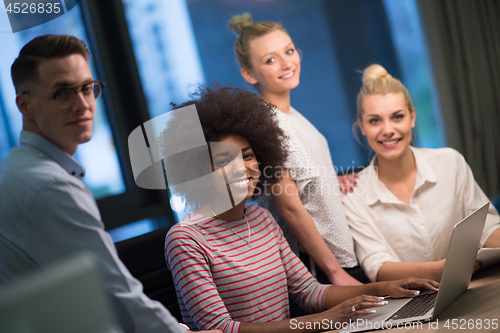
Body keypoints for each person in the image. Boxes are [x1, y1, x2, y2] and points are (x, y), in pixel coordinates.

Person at [164, 84, 439, 333]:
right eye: (224, 159)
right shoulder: (186, 240)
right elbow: (221, 329)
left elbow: (309, 292)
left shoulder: (261, 218)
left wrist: (386, 289)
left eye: (247, 155)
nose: (241, 168)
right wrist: (327, 319)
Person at [0, 34, 217, 333]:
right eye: (62, 92)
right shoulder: (48, 186)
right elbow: (117, 295)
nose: (82, 104)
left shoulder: (17, 168)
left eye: (87, 88)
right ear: (24, 105)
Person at [228, 13, 367, 286]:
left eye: (289, 51)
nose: (286, 63)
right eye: (270, 59)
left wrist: (331, 183)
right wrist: (335, 273)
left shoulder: (291, 115)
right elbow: (290, 208)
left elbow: (303, 184)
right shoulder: (267, 124)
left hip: (338, 257)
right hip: (319, 267)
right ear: (248, 73)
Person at [342, 64, 500, 283]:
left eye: (397, 117)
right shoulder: (353, 195)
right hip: (410, 305)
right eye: (375, 120)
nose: (387, 129)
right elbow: (377, 266)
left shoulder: (450, 163)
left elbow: (486, 228)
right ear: (362, 126)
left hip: (473, 285)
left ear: (412, 117)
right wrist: (440, 270)